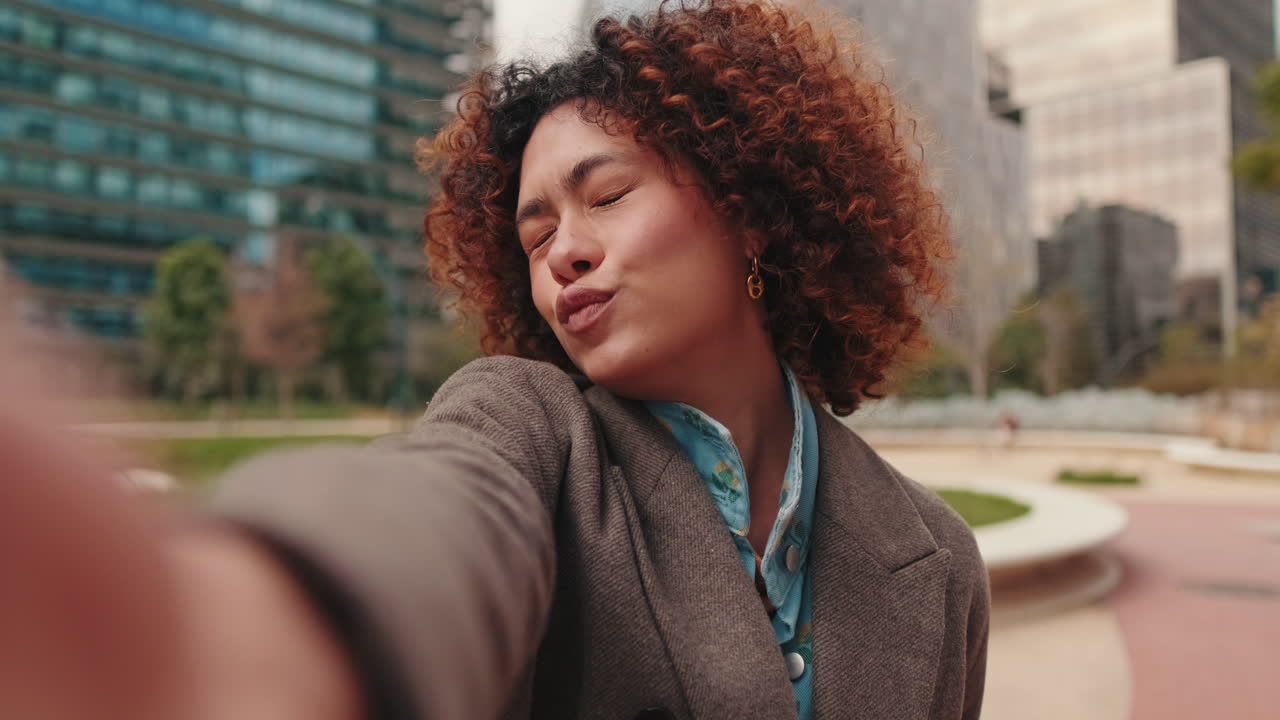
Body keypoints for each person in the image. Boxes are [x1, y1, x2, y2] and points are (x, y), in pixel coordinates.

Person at [0, 1, 988, 718]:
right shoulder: (535, 431)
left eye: (603, 195)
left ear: (751, 209)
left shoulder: (938, 562)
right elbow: (438, 515)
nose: (561, 252)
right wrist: (265, 622)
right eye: (533, 233)